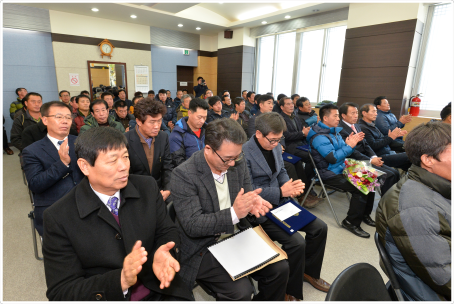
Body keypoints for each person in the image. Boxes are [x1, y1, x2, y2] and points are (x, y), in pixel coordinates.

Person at [42, 127, 193, 301]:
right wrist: (120, 280)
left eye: (126, 157)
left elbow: (166, 231)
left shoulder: (147, 187)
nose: (124, 167)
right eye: (112, 160)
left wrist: (163, 250)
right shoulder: (58, 217)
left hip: (159, 286)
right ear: (85, 166)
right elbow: (62, 291)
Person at [171, 118, 289, 301]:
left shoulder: (237, 162)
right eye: (227, 159)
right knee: (240, 291)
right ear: (208, 149)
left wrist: (252, 203)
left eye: (237, 156)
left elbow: (248, 193)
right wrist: (235, 213)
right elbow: (192, 225)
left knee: (280, 268)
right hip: (203, 246)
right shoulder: (184, 175)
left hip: (235, 236)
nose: (233, 163)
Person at [243, 112, 330, 300]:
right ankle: (288, 289)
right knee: (297, 243)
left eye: (279, 139)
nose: (277, 144)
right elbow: (249, 189)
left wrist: (288, 186)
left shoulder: (274, 145)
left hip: (281, 203)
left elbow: (281, 170)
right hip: (261, 208)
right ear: (258, 133)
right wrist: (281, 191)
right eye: (273, 140)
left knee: (320, 228)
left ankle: (309, 272)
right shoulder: (244, 152)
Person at [376, 122, 451, 301]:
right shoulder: (416, 208)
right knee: (386, 175)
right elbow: (445, 278)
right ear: (428, 160)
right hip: (433, 293)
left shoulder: (438, 184)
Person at [307, 104, 375, 238]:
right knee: (360, 187)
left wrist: (347, 144)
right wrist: (349, 146)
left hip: (340, 167)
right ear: (325, 118)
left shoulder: (333, 132)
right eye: (336, 115)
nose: (338, 118)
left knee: (370, 179)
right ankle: (350, 222)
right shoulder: (319, 137)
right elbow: (332, 158)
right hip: (328, 172)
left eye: (338, 115)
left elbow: (340, 152)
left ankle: (364, 215)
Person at [22, 101, 84, 236]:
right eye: (59, 117)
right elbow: (35, 184)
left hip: (85, 206)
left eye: (68, 117)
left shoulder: (81, 142)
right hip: (54, 209)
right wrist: (62, 164)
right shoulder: (32, 151)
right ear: (44, 120)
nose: (65, 121)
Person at [338, 103, 400, 195]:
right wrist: (370, 160)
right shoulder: (340, 129)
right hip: (355, 162)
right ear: (343, 115)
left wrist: (374, 157)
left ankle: (392, 201)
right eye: (352, 113)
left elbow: (366, 144)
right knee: (388, 176)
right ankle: (386, 204)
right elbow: (352, 152)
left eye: (356, 113)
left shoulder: (356, 126)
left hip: (367, 158)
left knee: (395, 173)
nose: (356, 116)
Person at [125, 98, 173, 203]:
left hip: (160, 191)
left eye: (159, 121)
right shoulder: (126, 140)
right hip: (136, 194)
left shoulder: (163, 137)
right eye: (152, 122)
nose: (157, 126)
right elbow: (126, 174)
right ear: (138, 121)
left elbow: (167, 167)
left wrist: (168, 189)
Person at [279, 97, 321, 206]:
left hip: (301, 144)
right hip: (290, 147)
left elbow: (302, 132)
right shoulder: (280, 118)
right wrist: (302, 133)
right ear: (282, 107)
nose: (291, 106)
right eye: (288, 104)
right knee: (310, 157)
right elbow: (286, 136)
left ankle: (308, 185)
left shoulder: (296, 117)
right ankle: (306, 189)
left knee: (316, 155)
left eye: (292, 104)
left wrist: (305, 134)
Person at [358, 104, 411, 172]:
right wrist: (390, 137)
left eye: (376, 112)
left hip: (387, 152)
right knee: (409, 156)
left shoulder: (371, 125)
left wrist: (392, 136)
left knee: (410, 162)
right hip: (379, 157)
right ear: (364, 113)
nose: (376, 114)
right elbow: (373, 146)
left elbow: (381, 139)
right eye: (373, 111)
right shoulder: (363, 128)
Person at [169, 98, 208, 167]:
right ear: (189, 113)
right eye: (199, 117)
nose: (202, 121)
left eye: (205, 117)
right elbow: (178, 162)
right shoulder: (177, 134)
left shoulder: (208, 130)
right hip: (189, 174)